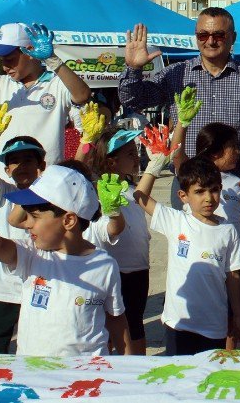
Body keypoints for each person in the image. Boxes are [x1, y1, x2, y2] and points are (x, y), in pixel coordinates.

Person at [0, 165, 130, 356]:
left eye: (34, 216)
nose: (27, 224)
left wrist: (129, 365)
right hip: (34, 373)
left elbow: (116, 319)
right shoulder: (31, 254)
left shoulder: (105, 266)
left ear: (68, 221)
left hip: (85, 375)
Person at [117, 8, 240, 198]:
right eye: (203, 35)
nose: (210, 41)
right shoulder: (176, 74)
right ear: (196, 37)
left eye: (219, 35)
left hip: (237, 183)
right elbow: (133, 99)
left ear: (233, 38)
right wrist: (134, 68)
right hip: (188, 183)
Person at [134, 137, 240, 356]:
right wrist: (154, 166)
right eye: (199, 191)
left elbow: (233, 277)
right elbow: (140, 196)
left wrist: (238, 316)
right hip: (179, 323)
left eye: (214, 190)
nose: (208, 198)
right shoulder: (175, 221)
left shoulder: (228, 230)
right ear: (183, 196)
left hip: (214, 324)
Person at [170, 112, 240, 350]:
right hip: (207, 264)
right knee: (218, 314)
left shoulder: (237, 184)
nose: (238, 152)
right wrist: (182, 124)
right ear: (215, 153)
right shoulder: (193, 177)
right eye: (232, 147)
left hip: (235, 261)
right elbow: (176, 152)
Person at [0, 24, 92, 182]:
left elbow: (83, 95)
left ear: (29, 51)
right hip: (4, 183)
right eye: (2, 60)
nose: (5, 66)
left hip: (47, 182)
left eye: (10, 59)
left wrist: (52, 60)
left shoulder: (57, 83)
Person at [0, 118, 49, 353]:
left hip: (41, 283)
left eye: (28, 159)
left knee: (40, 345)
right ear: (7, 170)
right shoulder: (3, 192)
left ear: (42, 164)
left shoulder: (51, 194)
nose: (22, 165)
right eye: (14, 161)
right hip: (3, 286)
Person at [84, 126, 152, 355]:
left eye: (136, 152)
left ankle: (139, 369)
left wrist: (156, 164)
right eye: (130, 154)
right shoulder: (100, 191)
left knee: (136, 323)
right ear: (111, 162)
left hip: (139, 268)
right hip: (116, 270)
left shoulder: (130, 187)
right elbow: (110, 230)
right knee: (113, 326)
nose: (136, 157)